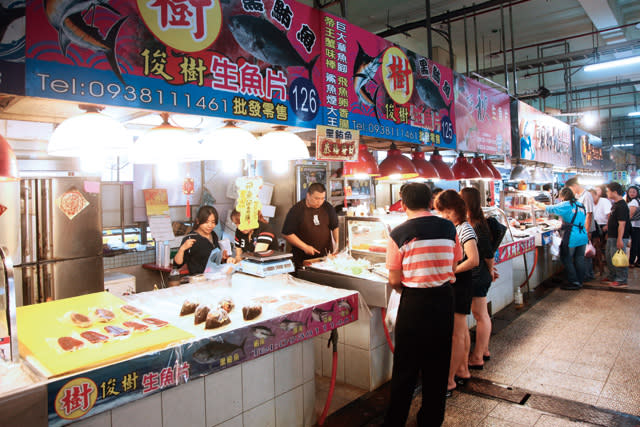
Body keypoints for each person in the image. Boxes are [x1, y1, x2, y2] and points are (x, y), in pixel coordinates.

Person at [384, 183, 461, 426]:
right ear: (430, 202)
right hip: (443, 301)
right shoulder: (449, 227)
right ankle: (430, 419)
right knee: (437, 366)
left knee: (405, 368)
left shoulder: (399, 233)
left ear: (403, 204)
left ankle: (395, 421)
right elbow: (453, 264)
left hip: (414, 305)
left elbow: (395, 280)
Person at [434, 190, 479, 397]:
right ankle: (463, 370)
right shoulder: (456, 227)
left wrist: (452, 270)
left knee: (457, 334)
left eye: (447, 211)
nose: (444, 216)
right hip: (459, 282)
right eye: (442, 212)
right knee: (461, 332)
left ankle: (449, 381)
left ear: (457, 209)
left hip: (460, 284)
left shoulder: (464, 228)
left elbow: (473, 259)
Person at [460, 187, 495, 369]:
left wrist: (490, 270)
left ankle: (477, 357)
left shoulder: (475, 224)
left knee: (480, 315)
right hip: (479, 274)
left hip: (476, 275)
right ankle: (484, 350)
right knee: (481, 314)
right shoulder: (476, 221)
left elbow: (488, 253)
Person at [537, 188, 588, 290]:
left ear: (563, 196)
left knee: (566, 258)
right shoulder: (580, 205)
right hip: (582, 235)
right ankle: (580, 280)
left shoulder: (566, 204)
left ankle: (574, 282)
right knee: (579, 259)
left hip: (572, 236)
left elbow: (550, 208)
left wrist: (534, 202)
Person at [282, 183, 339, 268]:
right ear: (308, 195)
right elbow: (287, 233)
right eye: (316, 198)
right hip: (303, 260)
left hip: (325, 259)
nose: (320, 202)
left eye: (322, 198)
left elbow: (335, 226)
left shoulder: (327, 207)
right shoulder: (297, 210)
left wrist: (337, 244)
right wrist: (305, 247)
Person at [174, 205, 226, 275]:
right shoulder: (191, 238)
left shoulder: (213, 235)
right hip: (198, 280)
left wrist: (222, 257)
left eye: (213, 222)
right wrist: (182, 249)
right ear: (198, 221)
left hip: (214, 277)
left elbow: (214, 259)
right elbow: (177, 264)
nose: (210, 225)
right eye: (206, 222)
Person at [565, 177, 595, 281]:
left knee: (585, 254)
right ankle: (584, 275)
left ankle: (587, 275)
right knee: (581, 254)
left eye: (570, 188)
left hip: (584, 229)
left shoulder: (586, 196)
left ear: (575, 186)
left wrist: (586, 232)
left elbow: (588, 215)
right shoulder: (577, 196)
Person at [602, 182, 631, 288]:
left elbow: (622, 224)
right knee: (610, 257)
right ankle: (612, 276)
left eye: (608, 191)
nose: (606, 193)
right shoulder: (616, 204)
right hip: (612, 236)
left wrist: (620, 239)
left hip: (619, 236)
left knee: (619, 258)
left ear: (614, 192)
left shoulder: (622, 206)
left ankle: (621, 279)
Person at [589, 188, 609, 277]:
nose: (590, 198)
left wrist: (607, 226)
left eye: (592, 196)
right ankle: (594, 268)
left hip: (602, 226)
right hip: (593, 226)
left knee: (599, 249)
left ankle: (601, 268)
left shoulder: (604, 201)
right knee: (593, 250)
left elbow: (609, 215)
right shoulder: (588, 203)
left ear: (597, 195)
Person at [625, 186, 640, 267]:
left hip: (634, 226)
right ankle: (638, 261)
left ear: (637, 193)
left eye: (634, 192)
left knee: (634, 244)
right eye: (630, 192)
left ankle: (631, 262)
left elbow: (630, 215)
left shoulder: (634, 202)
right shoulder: (637, 201)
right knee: (637, 244)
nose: (631, 193)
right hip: (637, 225)